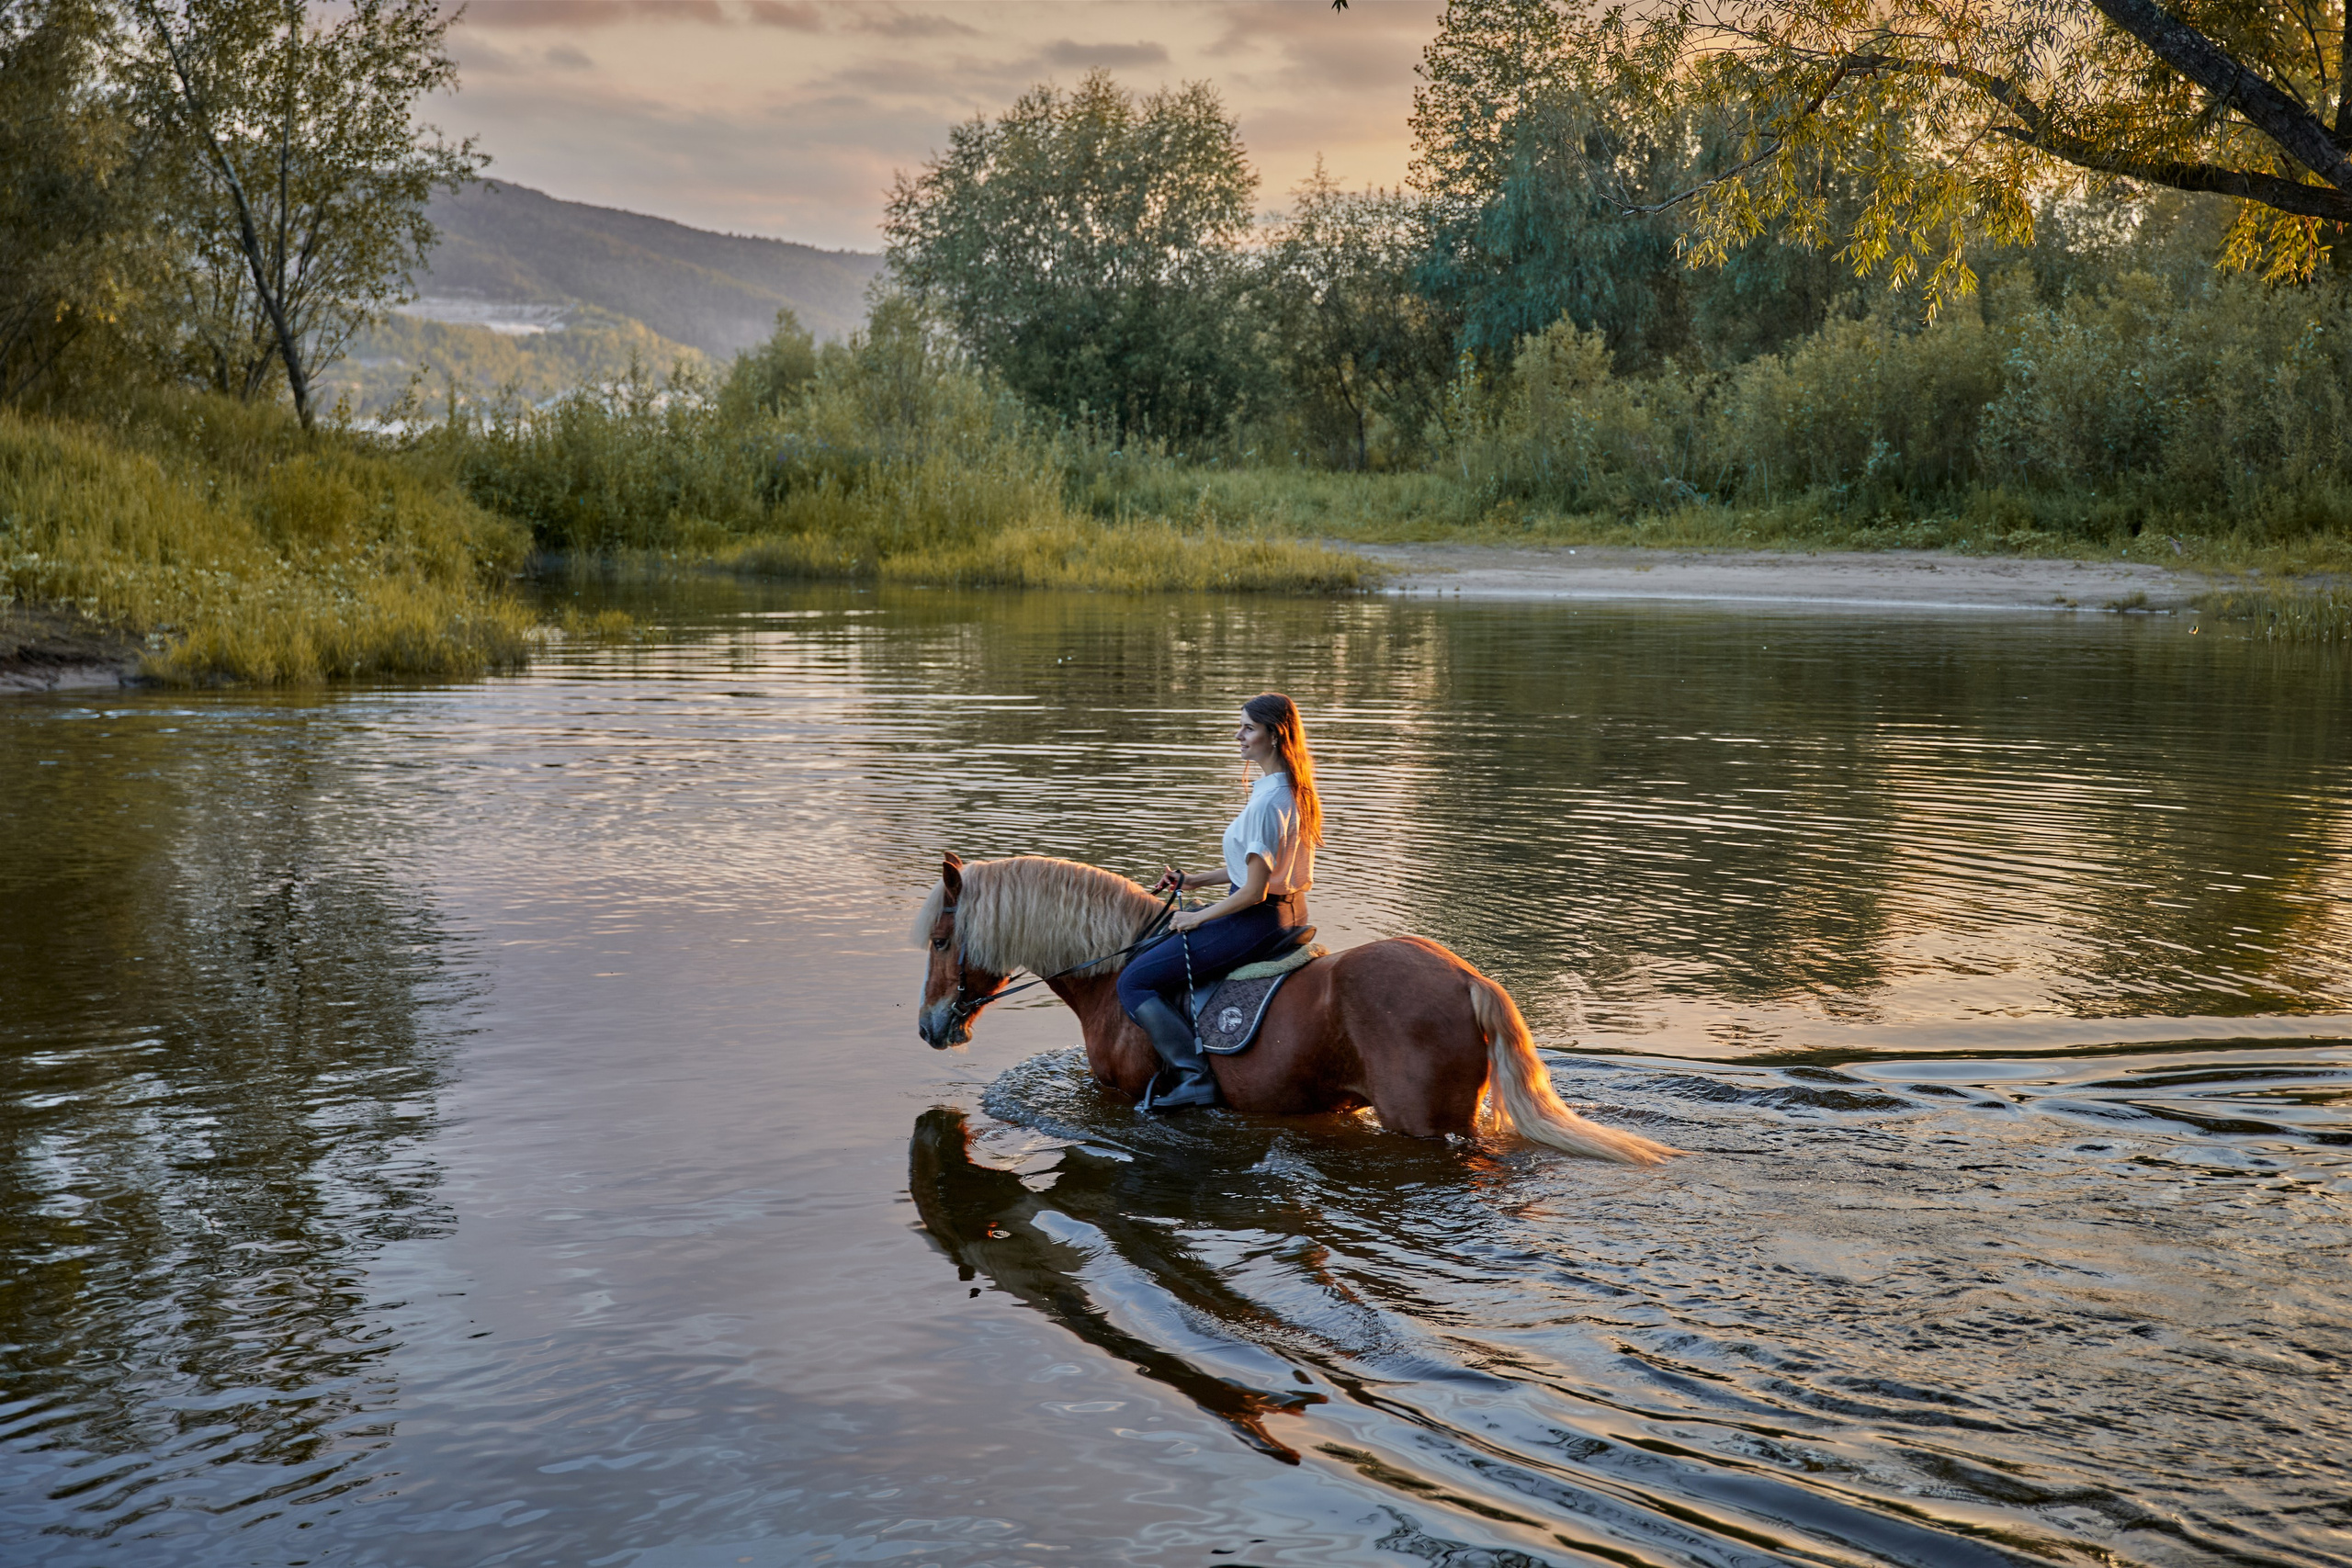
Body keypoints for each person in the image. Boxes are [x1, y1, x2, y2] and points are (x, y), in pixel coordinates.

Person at [1115, 692, 1324, 1111]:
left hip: (1255, 920)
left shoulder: (1268, 803)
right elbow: (1263, 870)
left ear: (1275, 735)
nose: (1238, 735)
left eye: (1248, 728)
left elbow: (1254, 891)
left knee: (1133, 982)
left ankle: (1193, 1078)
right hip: (1288, 912)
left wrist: (1196, 918)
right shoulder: (1292, 790)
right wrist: (1195, 881)